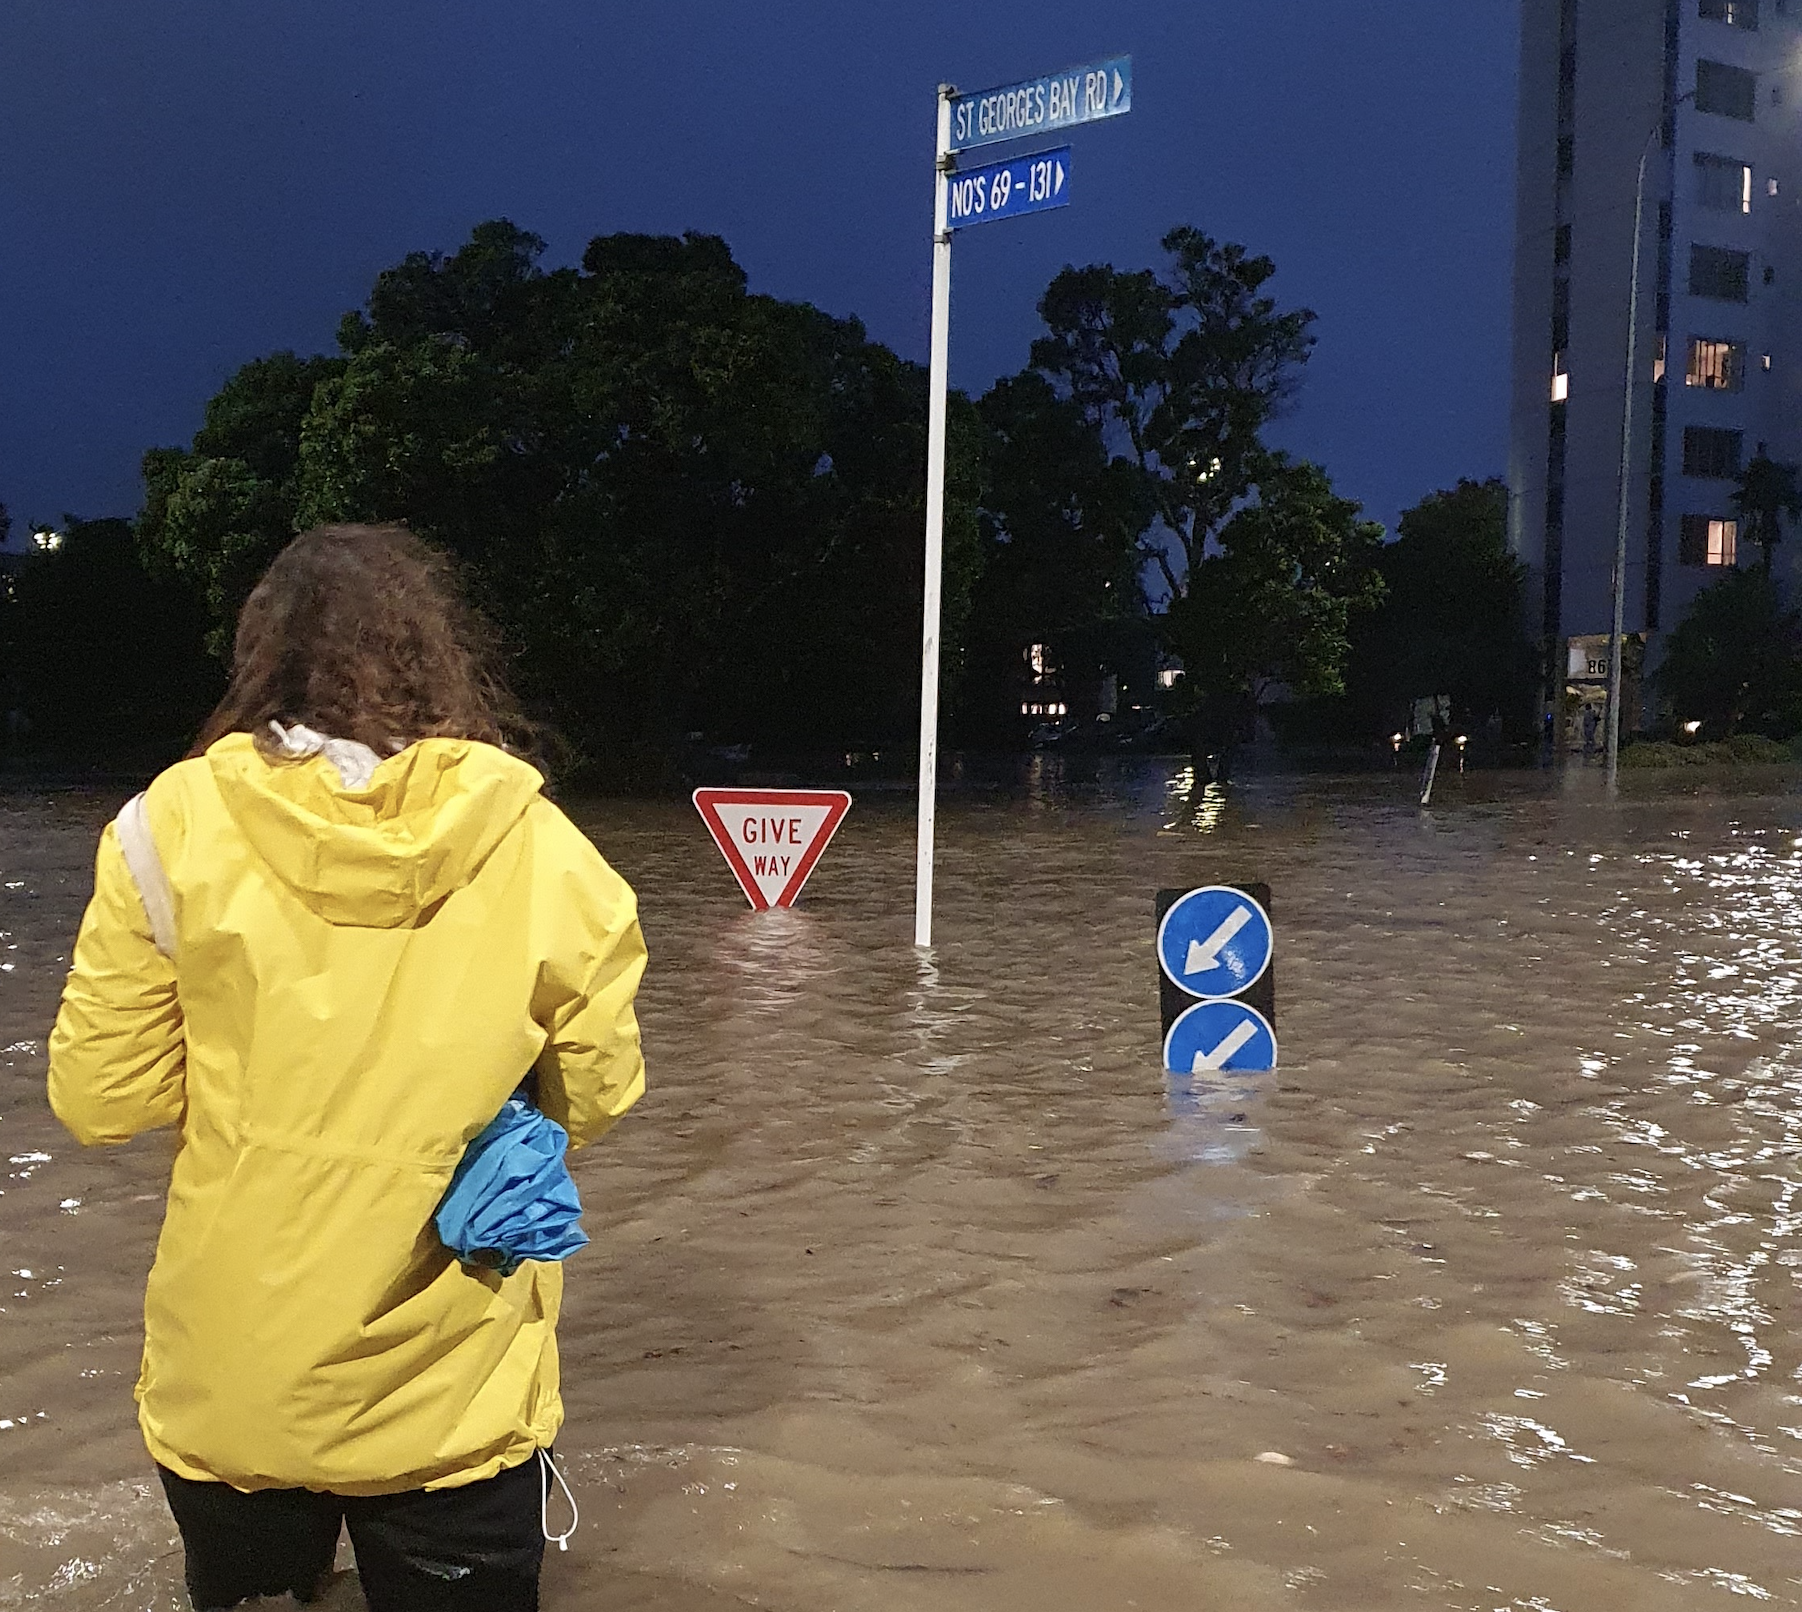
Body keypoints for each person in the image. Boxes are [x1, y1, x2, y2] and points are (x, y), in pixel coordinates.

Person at [46, 524, 648, 1611]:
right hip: (450, 1389)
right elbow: (597, 1091)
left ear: (260, 658)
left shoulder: (160, 832)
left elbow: (100, 1098)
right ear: (436, 659)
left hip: (234, 1379)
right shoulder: (539, 843)